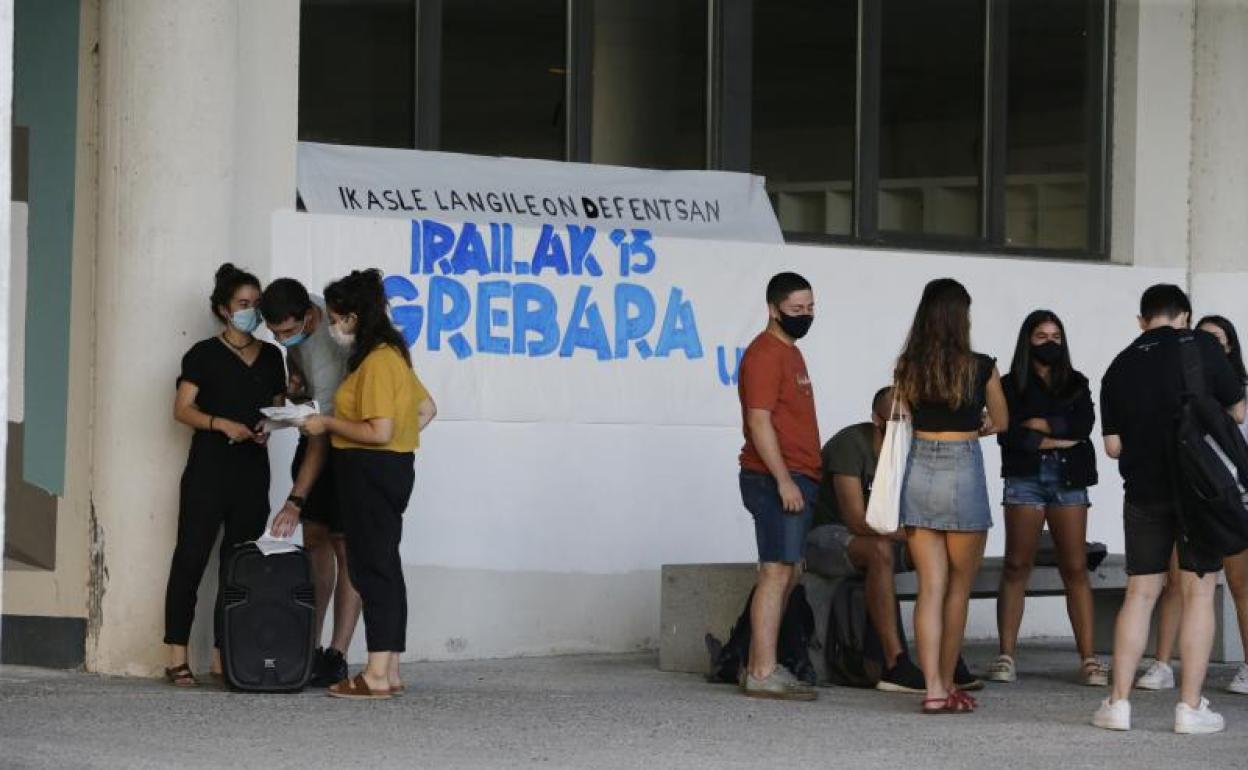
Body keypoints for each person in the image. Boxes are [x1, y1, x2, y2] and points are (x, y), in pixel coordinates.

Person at [1092, 285, 1246, 734]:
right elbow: (1237, 412)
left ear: (1141, 321)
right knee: (1199, 591)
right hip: (1199, 489)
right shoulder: (1199, 346)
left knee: (1140, 593)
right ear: (1184, 315)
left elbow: (1113, 447)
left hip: (1144, 490)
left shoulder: (1118, 366)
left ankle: (1117, 704)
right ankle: (1189, 708)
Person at [300, 269, 437, 700]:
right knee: (385, 567)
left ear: (354, 317)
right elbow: (426, 410)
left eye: (337, 318)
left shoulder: (376, 361)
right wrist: (398, 441)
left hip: (368, 468)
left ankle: (376, 673)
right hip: (392, 468)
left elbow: (377, 429)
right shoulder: (394, 354)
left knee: (370, 568)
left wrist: (326, 422)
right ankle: (389, 668)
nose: (334, 326)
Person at [163, 264, 286, 687]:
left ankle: (223, 654)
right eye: (243, 304)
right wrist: (221, 424)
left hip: (252, 472)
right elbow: (182, 410)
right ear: (223, 309)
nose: (250, 311)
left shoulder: (272, 356)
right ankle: (176, 654)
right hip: (208, 471)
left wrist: (266, 428)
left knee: (240, 566)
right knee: (192, 558)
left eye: (256, 304)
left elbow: (276, 406)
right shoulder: (202, 354)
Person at [894, 278, 1007, 714]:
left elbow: (900, 413)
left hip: (919, 467)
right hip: (963, 466)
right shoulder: (981, 366)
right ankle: (949, 682)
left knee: (930, 588)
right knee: (958, 589)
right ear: (962, 317)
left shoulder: (908, 365)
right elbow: (1001, 420)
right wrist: (977, 423)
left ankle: (934, 689)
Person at [990, 310, 1107, 687]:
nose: (1050, 342)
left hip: (1068, 479)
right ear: (1027, 341)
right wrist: (1057, 431)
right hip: (1024, 478)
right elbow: (1007, 432)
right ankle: (1006, 655)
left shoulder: (1077, 381)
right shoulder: (1009, 385)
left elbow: (1084, 426)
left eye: (1056, 335)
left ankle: (1089, 659)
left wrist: (1039, 425)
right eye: (1041, 336)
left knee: (1074, 568)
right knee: (1015, 566)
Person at [1134, 314, 1248, 697]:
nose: (1208, 346)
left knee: (1239, 583)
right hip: (1190, 494)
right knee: (1177, 580)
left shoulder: (1237, 396)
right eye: (1202, 339)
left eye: (1217, 340)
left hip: (1234, 497)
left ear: (1230, 347)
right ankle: (1163, 662)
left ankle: (1247, 666)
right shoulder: (1181, 391)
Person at [260, 278, 361, 687]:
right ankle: (309, 644)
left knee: (344, 546)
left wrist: (295, 499)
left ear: (309, 315)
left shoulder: (329, 349)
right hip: (314, 429)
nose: (283, 339)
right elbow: (306, 409)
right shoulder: (294, 329)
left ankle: (336, 653)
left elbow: (323, 435)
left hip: (344, 443)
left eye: (289, 332)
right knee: (315, 540)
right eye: (275, 333)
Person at [737, 272, 820, 700]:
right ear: (773, 309)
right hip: (775, 479)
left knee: (788, 572)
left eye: (810, 309)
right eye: (796, 310)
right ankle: (762, 671)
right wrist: (784, 479)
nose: (805, 317)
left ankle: (760, 662)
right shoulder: (765, 354)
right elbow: (759, 420)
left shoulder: (792, 353)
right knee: (774, 571)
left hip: (800, 476)